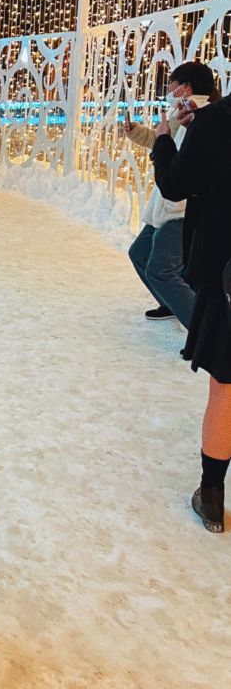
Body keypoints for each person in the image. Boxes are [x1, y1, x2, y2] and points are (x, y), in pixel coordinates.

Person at [151, 84, 231, 533]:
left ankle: (213, 500)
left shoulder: (217, 122)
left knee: (226, 388)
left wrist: (165, 140)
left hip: (227, 277)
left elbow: (174, 184)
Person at [123, 62, 219, 326]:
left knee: (161, 270)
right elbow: (162, 142)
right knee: (140, 253)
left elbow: (193, 159)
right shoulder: (181, 111)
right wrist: (137, 133)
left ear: (185, 87)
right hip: (169, 202)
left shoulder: (200, 114)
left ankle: (205, 332)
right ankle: (174, 303)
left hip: (184, 207)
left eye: (171, 84)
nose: (168, 89)